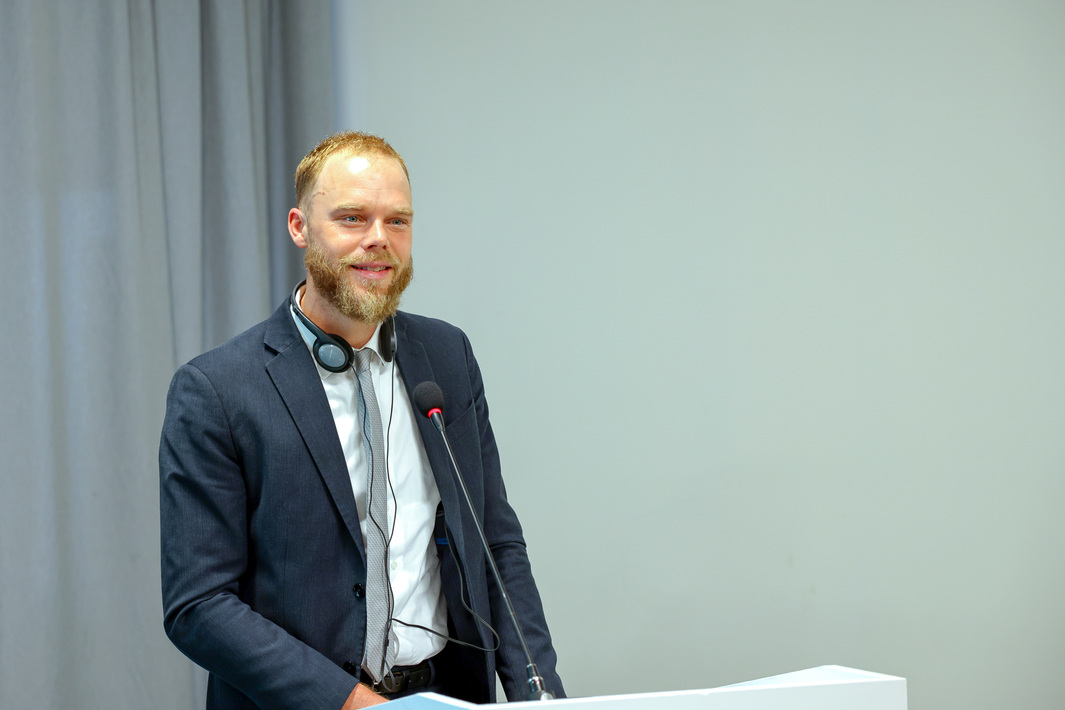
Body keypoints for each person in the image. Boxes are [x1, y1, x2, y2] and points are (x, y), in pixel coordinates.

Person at [160, 132, 564, 709]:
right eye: (352, 218)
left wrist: (540, 694)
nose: (379, 239)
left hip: (445, 696)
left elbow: (494, 541)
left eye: (397, 221)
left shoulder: (448, 358)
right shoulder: (216, 390)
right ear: (300, 227)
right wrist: (353, 704)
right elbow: (198, 605)